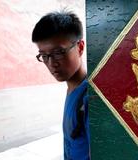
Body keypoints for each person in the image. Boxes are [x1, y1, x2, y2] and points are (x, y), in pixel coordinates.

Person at [32, 11, 89, 160]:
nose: (51, 63)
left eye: (59, 52)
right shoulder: (72, 89)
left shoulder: (91, 98)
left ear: (80, 47)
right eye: (44, 56)